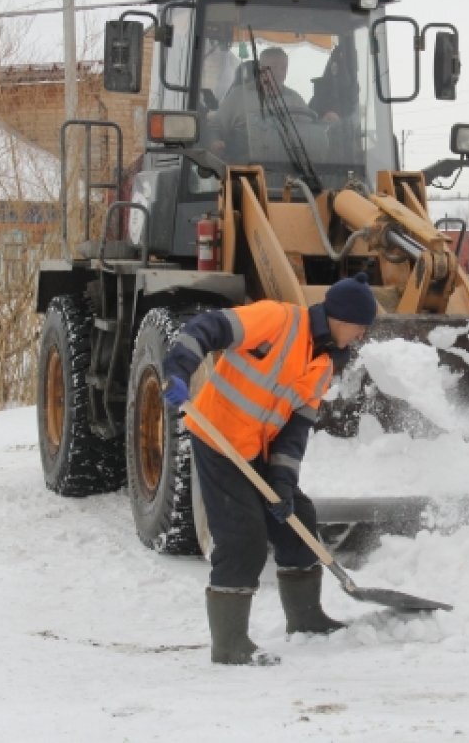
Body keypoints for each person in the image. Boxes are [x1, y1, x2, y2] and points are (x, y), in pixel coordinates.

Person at [161, 273, 379, 665]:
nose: (360, 336)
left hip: (258, 448)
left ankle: (306, 618)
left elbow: (296, 429)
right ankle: (229, 644)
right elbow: (210, 327)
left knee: (299, 517)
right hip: (217, 439)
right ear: (341, 318)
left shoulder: (325, 364)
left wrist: (282, 481)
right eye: (360, 327)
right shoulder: (277, 320)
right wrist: (178, 368)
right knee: (242, 536)